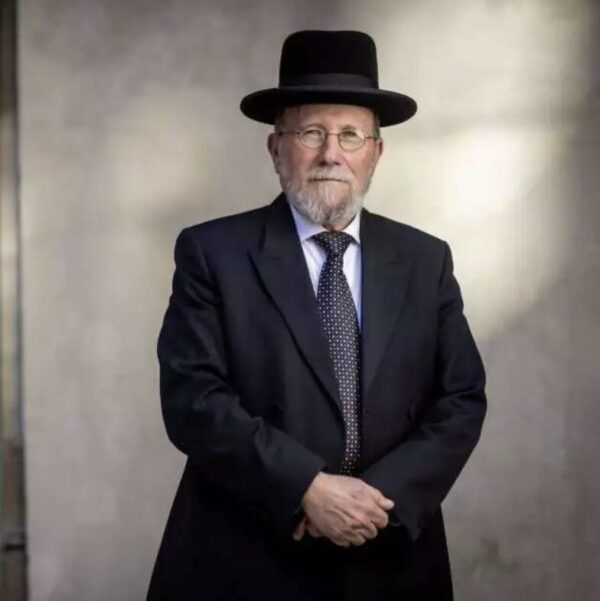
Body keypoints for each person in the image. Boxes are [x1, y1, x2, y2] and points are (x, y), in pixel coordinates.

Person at [147, 29, 487, 601]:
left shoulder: (425, 260)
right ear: (276, 148)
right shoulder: (212, 253)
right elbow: (193, 398)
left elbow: (461, 398)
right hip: (244, 554)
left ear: (376, 152)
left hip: (389, 552)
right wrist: (305, 487)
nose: (332, 153)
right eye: (311, 132)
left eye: (350, 134)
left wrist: (374, 503)